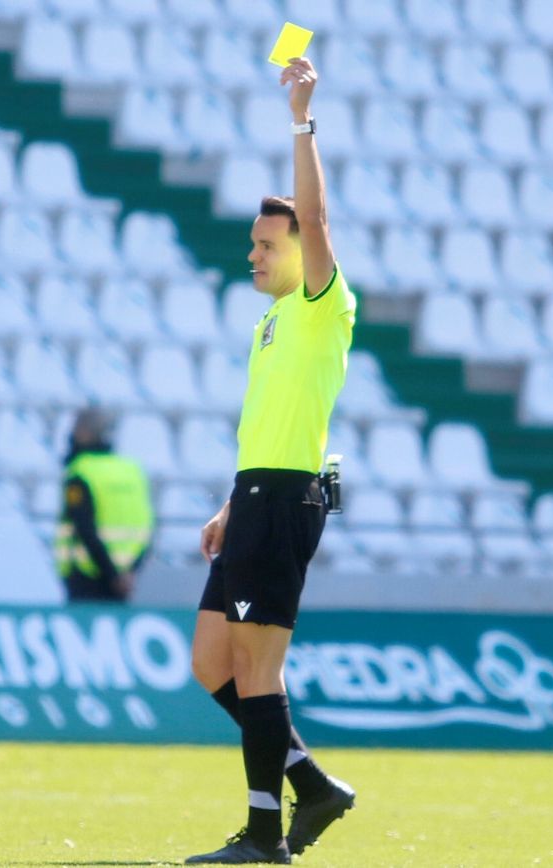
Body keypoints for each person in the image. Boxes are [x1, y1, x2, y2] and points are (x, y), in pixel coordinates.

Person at [185, 57, 356, 865]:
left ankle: (263, 834)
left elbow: (316, 218)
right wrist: (228, 502)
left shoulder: (324, 304)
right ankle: (311, 784)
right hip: (256, 494)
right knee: (211, 662)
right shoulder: (269, 325)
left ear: (299, 249)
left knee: (257, 670)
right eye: (252, 243)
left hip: (288, 501)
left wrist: (301, 118)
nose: (252, 255)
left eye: (264, 244)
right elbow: (268, 424)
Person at [54, 408, 154, 603]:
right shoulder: (132, 471)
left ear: (84, 432)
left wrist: (112, 574)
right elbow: (148, 527)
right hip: (127, 577)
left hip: (85, 574)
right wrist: (128, 574)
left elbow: (84, 528)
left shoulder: (80, 472)